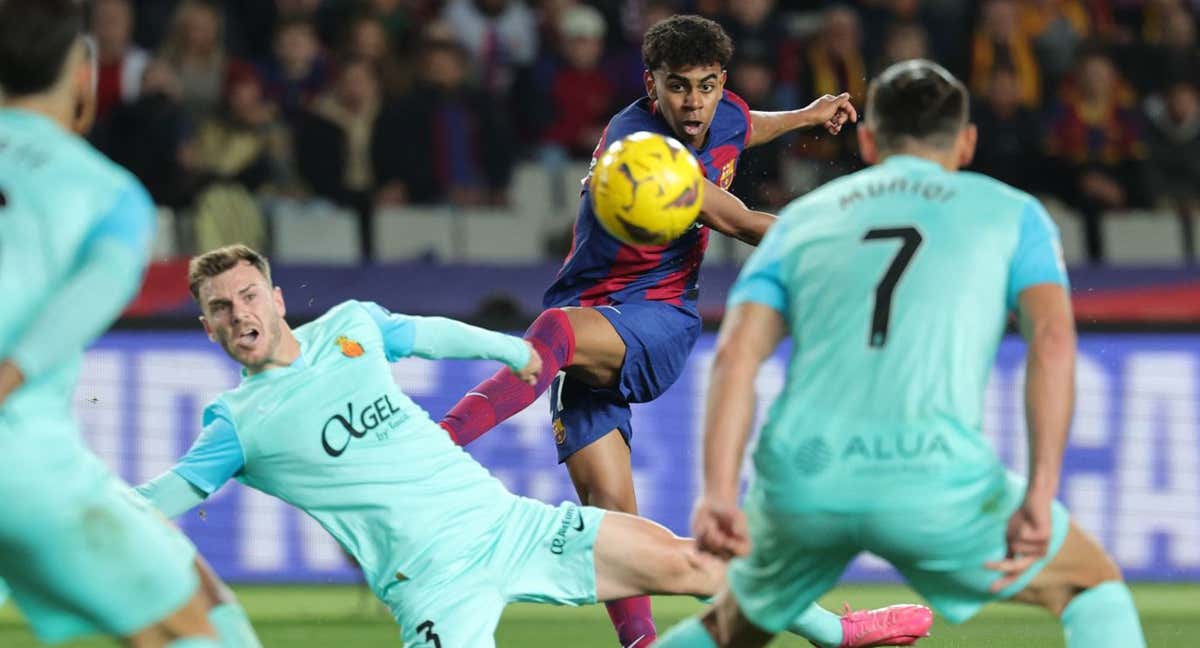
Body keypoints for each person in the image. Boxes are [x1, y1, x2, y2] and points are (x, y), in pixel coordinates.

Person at [437, 13, 929, 648]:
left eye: (706, 85)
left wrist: (808, 114)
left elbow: (746, 128)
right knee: (613, 526)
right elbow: (748, 224)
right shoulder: (636, 145)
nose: (693, 103)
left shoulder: (723, 112)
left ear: (722, 81)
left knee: (554, 331)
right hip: (594, 322)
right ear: (651, 85)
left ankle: (438, 441)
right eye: (677, 86)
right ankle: (824, 633)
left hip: (656, 320)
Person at [657, 59, 1146, 648]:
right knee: (1091, 588)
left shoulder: (803, 221)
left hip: (807, 476)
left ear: (867, 140)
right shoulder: (1013, 214)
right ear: (966, 143)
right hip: (935, 475)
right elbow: (1052, 342)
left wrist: (716, 491)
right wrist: (1040, 492)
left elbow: (735, 356)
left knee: (730, 627)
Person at [134, 244, 727, 648]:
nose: (240, 314)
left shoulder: (350, 325)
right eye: (221, 308)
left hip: (509, 526)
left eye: (249, 295)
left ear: (277, 299)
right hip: (433, 588)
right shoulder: (236, 425)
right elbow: (157, 501)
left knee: (689, 563)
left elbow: (428, 335)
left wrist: (510, 350)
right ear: (208, 328)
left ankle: (826, 631)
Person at [0, 2, 257, 646]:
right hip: (25, 466)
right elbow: (74, 312)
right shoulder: (107, 195)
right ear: (84, 76)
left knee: (193, 585)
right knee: (204, 626)